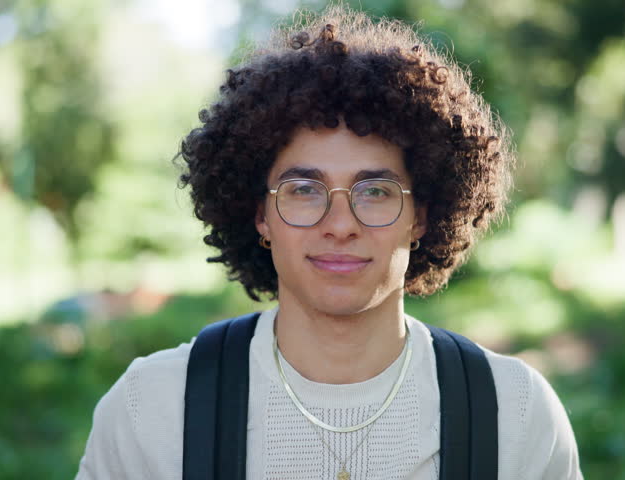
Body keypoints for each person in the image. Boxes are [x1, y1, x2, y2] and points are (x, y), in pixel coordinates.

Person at [76, 5, 582, 479]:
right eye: (303, 189)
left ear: (421, 217)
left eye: (376, 190)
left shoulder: (513, 413)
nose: (340, 224)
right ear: (260, 215)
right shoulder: (154, 409)